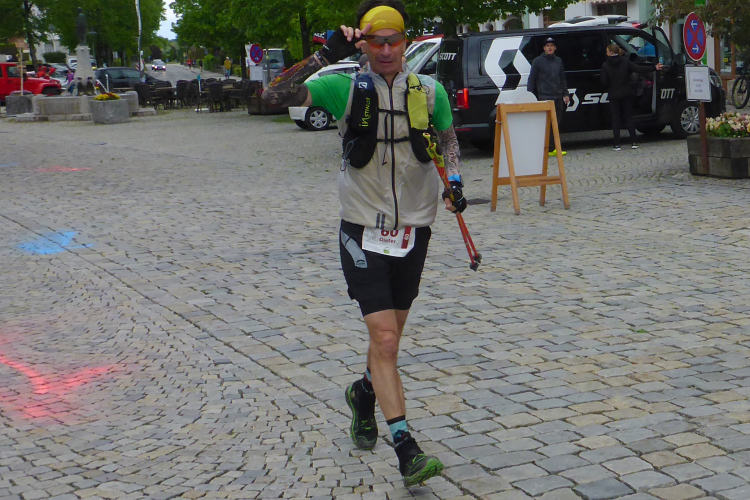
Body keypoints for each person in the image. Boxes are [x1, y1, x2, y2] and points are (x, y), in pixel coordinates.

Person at [262, 0, 467, 487]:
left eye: (394, 40)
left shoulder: (429, 90)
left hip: (413, 228)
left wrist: (455, 181)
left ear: (405, 41)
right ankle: (406, 449)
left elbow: (448, 139)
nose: (386, 50)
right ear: (365, 44)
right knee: (386, 340)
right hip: (361, 230)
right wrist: (325, 53)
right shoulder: (345, 88)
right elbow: (272, 95)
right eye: (376, 41)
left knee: (387, 343)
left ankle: (363, 393)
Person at [601, 43, 663, 151]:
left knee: (616, 119)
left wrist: (607, 88)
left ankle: (617, 144)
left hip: (614, 95)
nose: (606, 53)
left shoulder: (605, 65)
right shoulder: (625, 61)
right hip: (626, 93)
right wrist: (654, 67)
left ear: (610, 52)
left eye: (607, 51)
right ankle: (634, 142)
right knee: (628, 117)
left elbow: (603, 82)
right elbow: (639, 68)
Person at [527, 37, 570, 156]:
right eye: (547, 46)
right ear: (544, 48)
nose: (550, 47)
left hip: (558, 96)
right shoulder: (537, 61)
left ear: (555, 48)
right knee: (547, 124)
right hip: (545, 96)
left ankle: (554, 147)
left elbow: (562, 78)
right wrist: (529, 95)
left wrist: (565, 93)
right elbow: (531, 79)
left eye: (552, 45)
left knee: (556, 123)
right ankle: (548, 148)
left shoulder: (558, 61)